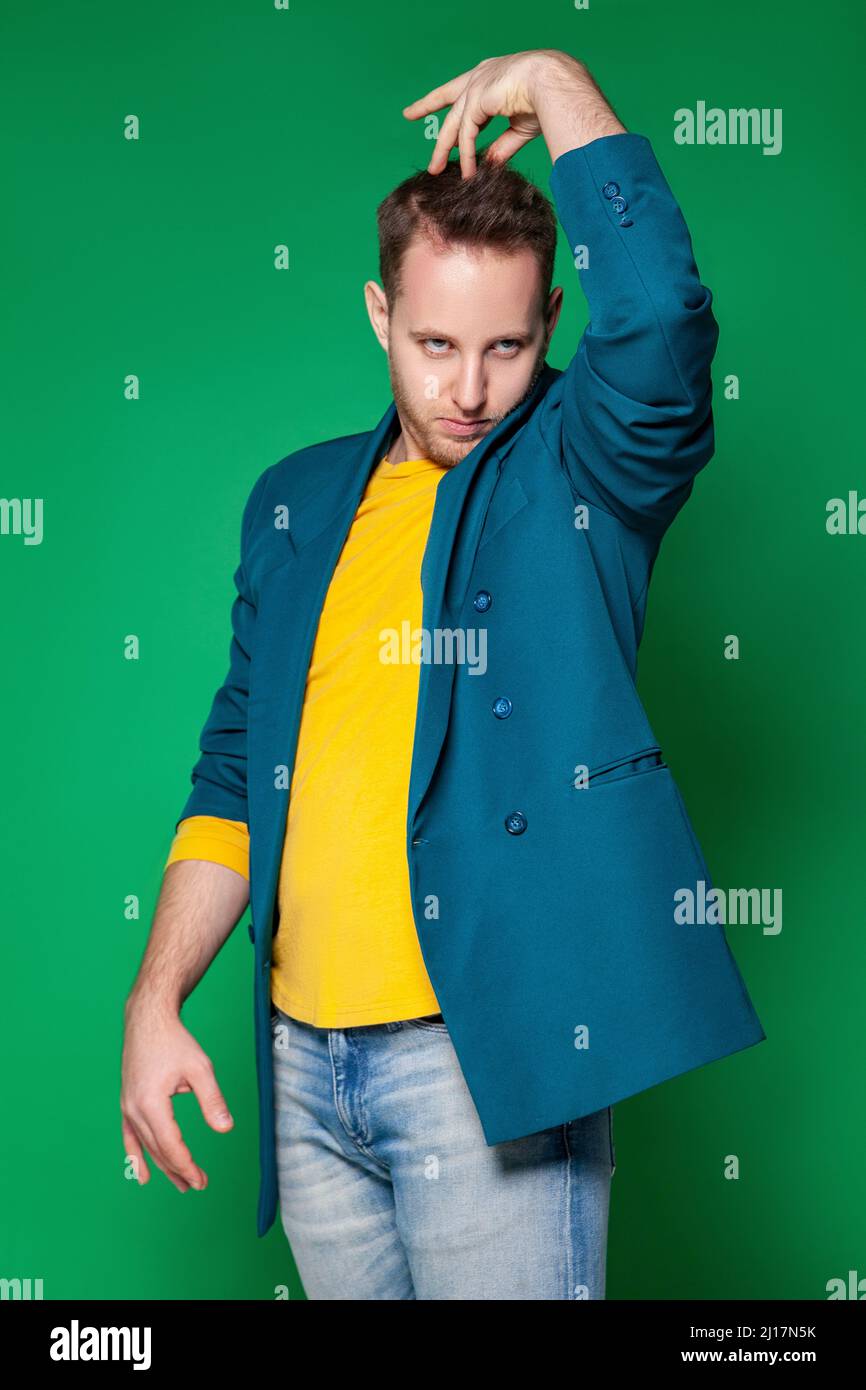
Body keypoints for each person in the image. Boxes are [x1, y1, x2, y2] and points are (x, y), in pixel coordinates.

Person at [121, 47, 766, 1300]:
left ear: (547, 333)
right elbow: (235, 768)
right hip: (302, 1068)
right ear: (378, 317)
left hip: (489, 1064)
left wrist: (556, 82)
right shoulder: (297, 502)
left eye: (505, 348)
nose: (467, 390)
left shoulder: (586, 473)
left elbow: (660, 317)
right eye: (431, 343)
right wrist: (158, 998)